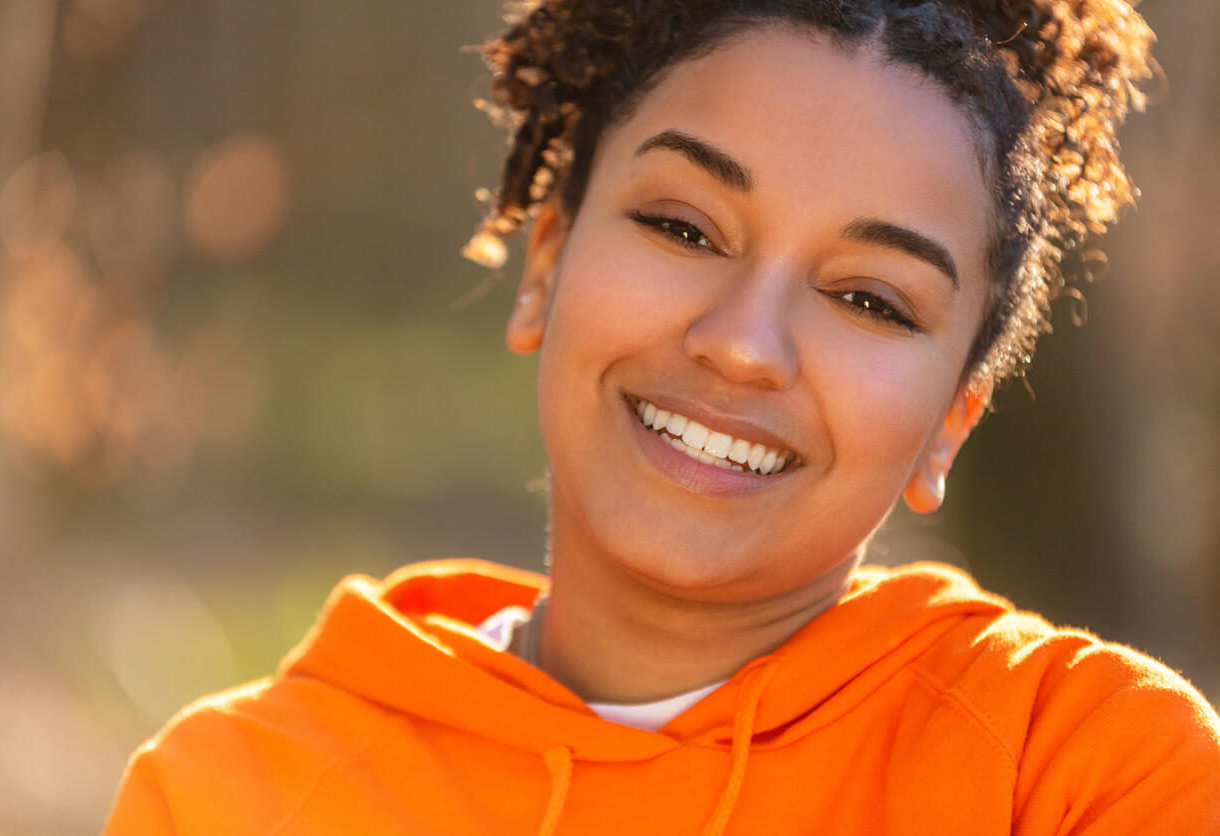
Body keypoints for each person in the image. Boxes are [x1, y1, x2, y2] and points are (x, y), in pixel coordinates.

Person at [106, 1, 1220, 833]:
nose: (743, 341)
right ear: (547, 259)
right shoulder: (230, 792)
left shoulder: (1082, 773)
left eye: (870, 298)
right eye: (685, 228)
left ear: (950, 425)